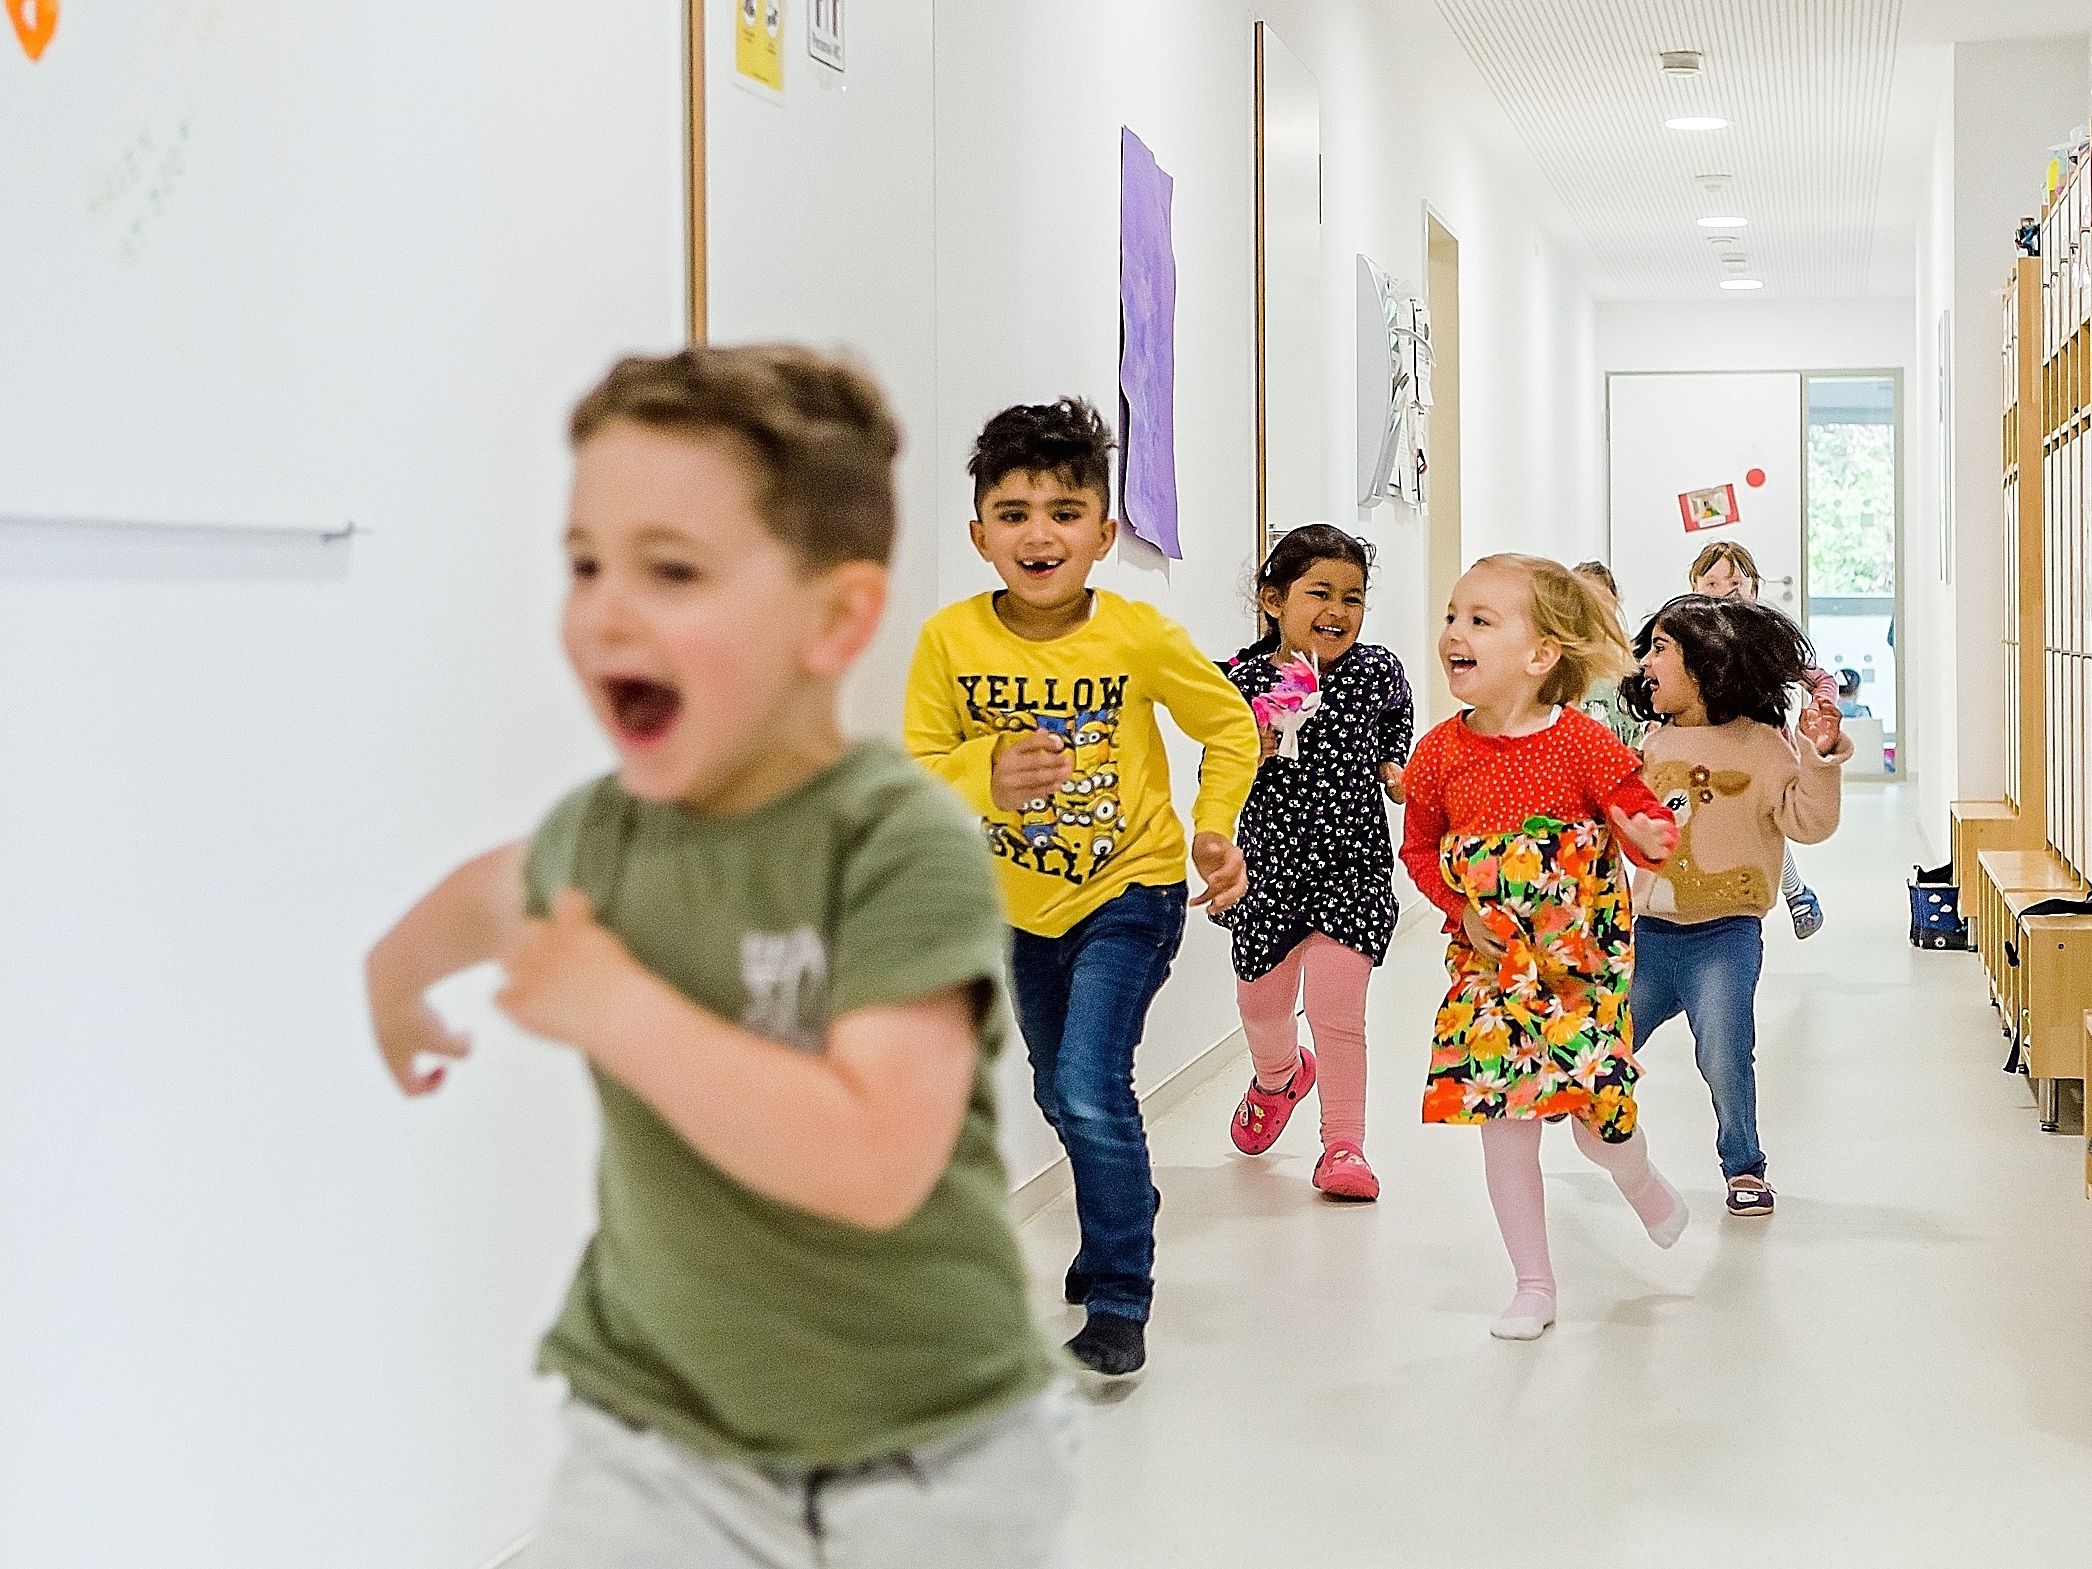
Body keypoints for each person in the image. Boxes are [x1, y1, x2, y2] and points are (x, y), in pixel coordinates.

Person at [364, 347, 1076, 1568]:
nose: (607, 611)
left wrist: (617, 1010)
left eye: (672, 570)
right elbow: (485, 895)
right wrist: (394, 985)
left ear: (837, 617)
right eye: (585, 564)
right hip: (653, 1431)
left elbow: (873, 1160)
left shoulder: (900, 842)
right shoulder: (604, 833)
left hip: (928, 1457)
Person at [903, 397, 1260, 1377]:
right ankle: (1126, 1198)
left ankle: (1118, 1292)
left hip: (1130, 895)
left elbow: (1229, 726)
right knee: (1060, 1090)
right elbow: (920, 763)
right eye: (1012, 512)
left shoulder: (1136, 636)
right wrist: (985, 773)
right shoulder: (949, 643)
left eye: (1064, 510)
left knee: (1089, 1084)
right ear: (979, 535)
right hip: (1020, 905)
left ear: (1103, 533)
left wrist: (1213, 827)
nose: (1038, 532)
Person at [1399, 554, 1687, 1341]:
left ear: (1539, 655)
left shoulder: (1584, 745)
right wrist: (1462, 910)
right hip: (1490, 969)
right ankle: (1533, 1282)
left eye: (1479, 620)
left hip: (1580, 971)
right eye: (1453, 615)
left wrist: (1651, 833)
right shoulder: (1439, 754)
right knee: (1505, 1117)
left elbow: (1642, 828)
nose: (1453, 632)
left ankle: (1641, 1180)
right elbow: (1419, 851)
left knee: (1599, 1123)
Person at [1620, 594, 1853, 1218]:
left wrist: (1818, 760)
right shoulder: (1654, 744)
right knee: (1605, 1041)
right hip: (1649, 933)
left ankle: (1743, 1164)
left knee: (1725, 1048)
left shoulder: (1760, 747)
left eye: (1660, 649)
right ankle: (1586, 1126)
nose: (1645, 662)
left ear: (1705, 663)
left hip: (1725, 933)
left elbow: (1807, 822)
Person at [1215, 524, 1414, 1201]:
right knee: (1259, 998)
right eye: (1319, 593)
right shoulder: (1243, 677)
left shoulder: (1375, 671)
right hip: (1268, 865)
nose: (1338, 610)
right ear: (1274, 598)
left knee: (1338, 1010)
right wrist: (1253, 748)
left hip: (1353, 865)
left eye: (1352, 598)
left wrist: (1394, 761)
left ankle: (1343, 1145)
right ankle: (1279, 1076)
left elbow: (1396, 715)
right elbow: (1222, 762)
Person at [1687, 540, 1835, 940]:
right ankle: (1790, 893)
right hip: (1708, 749)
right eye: (1712, 583)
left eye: (1735, 582)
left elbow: (1820, 678)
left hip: (1764, 747)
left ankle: (1793, 894)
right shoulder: (1686, 635)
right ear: (1695, 586)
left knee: (1763, 817)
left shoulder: (1767, 638)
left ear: (1754, 586)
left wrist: (1820, 708)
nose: (1725, 592)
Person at [1571, 559, 1648, 748]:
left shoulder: (1631, 657)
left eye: (1605, 604)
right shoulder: (1561, 660)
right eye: (1588, 602)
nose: (1597, 613)